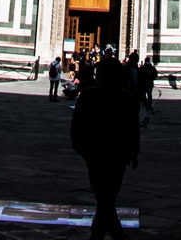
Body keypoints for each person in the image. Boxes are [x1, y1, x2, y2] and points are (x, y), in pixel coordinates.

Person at [70, 56, 140, 240]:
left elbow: (76, 126)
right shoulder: (128, 98)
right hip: (118, 154)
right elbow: (133, 129)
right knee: (108, 196)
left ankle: (101, 234)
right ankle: (113, 234)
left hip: (94, 154)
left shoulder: (87, 95)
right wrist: (133, 152)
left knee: (103, 196)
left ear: (99, 73)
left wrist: (81, 149)